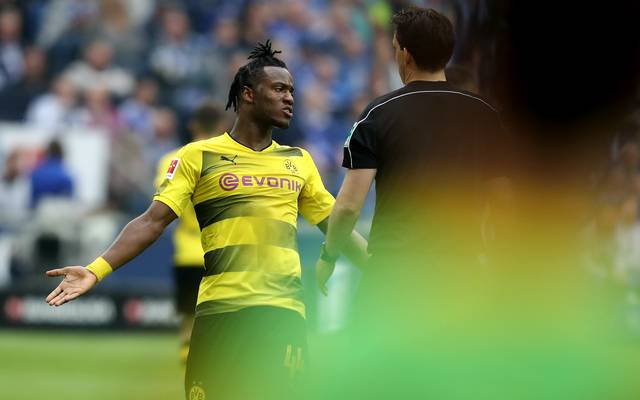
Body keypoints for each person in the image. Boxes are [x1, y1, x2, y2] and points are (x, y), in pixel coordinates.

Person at [45, 41, 368, 400]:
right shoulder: (198, 156)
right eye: (279, 89)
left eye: (291, 90)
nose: (289, 98)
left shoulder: (299, 161)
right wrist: (95, 270)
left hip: (281, 314)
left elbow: (337, 226)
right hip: (220, 313)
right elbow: (152, 221)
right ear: (248, 94)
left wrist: (381, 271)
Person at [313, 7, 511, 397]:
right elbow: (505, 205)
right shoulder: (485, 116)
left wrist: (329, 255)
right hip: (462, 274)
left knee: (377, 382)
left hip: (395, 274)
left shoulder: (378, 114)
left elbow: (348, 206)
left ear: (404, 53)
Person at [153, 101, 227, 364]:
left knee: (188, 312)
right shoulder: (232, 159)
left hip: (187, 249)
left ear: (192, 125)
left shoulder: (172, 159)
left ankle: (187, 351)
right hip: (222, 250)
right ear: (222, 125)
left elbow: (163, 199)